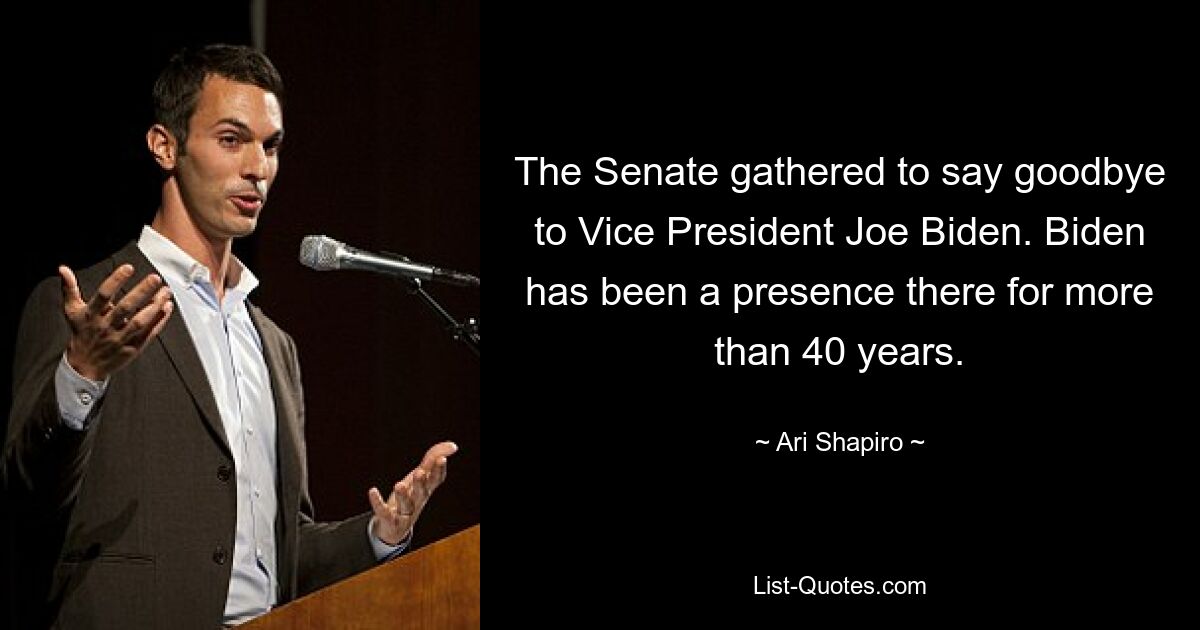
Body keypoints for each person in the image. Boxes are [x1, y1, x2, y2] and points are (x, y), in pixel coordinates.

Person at [2, 44, 456, 628]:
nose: (258, 168)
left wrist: (378, 535)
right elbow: (27, 496)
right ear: (165, 146)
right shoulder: (87, 307)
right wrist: (81, 374)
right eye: (231, 139)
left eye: (271, 146)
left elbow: (283, 551)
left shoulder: (273, 344)